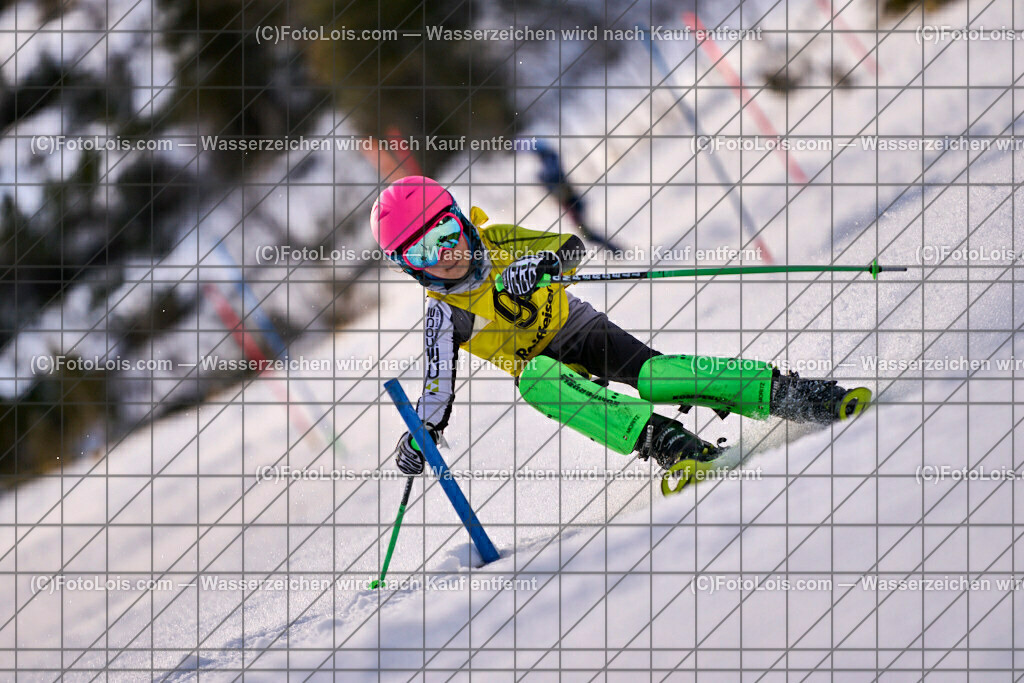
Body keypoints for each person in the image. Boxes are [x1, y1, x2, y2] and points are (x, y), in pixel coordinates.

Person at [371, 176, 870, 478]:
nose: (448, 255)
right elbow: (435, 395)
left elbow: (569, 248)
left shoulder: (497, 240)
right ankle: (669, 444)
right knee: (538, 383)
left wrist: (540, 265)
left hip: (580, 327)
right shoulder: (442, 317)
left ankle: (794, 394)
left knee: (657, 377)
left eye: (446, 233)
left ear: (460, 219)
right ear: (411, 268)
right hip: (545, 369)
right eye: (424, 253)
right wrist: (420, 436)